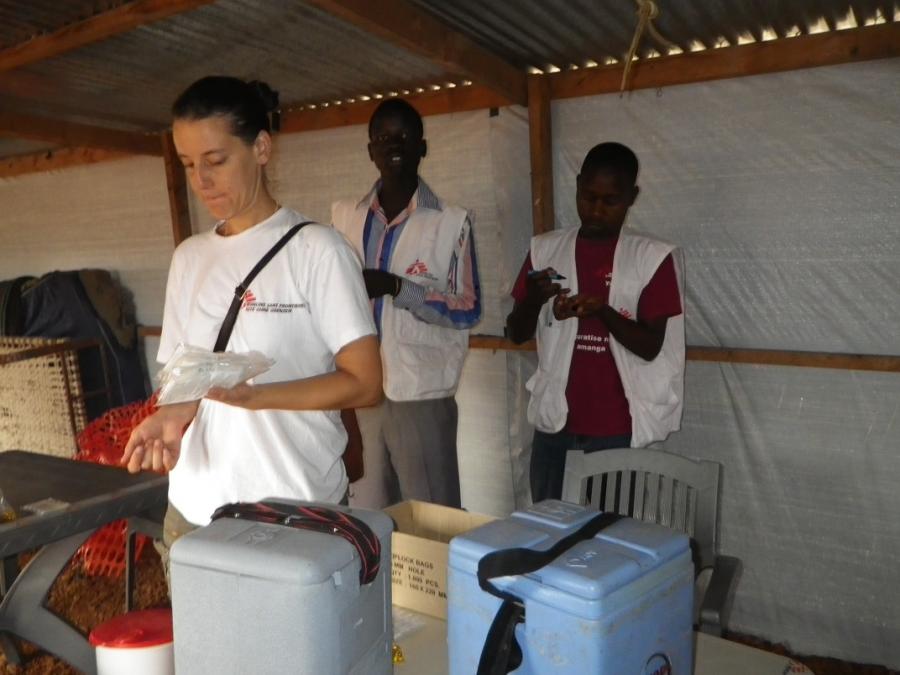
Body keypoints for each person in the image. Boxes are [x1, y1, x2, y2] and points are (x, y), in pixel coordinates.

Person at [121, 76, 382, 566]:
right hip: (196, 511)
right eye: (188, 164)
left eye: (216, 161)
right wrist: (172, 418)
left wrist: (257, 398)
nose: (202, 180)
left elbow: (366, 383)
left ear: (261, 147)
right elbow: (186, 381)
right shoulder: (190, 258)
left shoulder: (317, 250)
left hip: (294, 510)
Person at [507, 142, 685, 503]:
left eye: (610, 200)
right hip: (555, 428)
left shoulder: (652, 258)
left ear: (632, 197)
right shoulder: (545, 250)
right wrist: (534, 299)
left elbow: (651, 346)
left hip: (615, 432)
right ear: (576, 186)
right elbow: (516, 333)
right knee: (547, 537)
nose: (596, 210)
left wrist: (604, 312)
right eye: (588, 197)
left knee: (609, 544)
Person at [332, 98, 481, 509]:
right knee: (369, 515)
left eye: (404, 136)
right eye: (382, 138)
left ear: (422, 147)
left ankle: (434, 577)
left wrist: (399, 287)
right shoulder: (345, 218)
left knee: (430, 516)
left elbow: (467, 307)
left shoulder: (451, 223)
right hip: (359, 391)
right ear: (370, 151)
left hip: (422, 393)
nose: (392, 144)